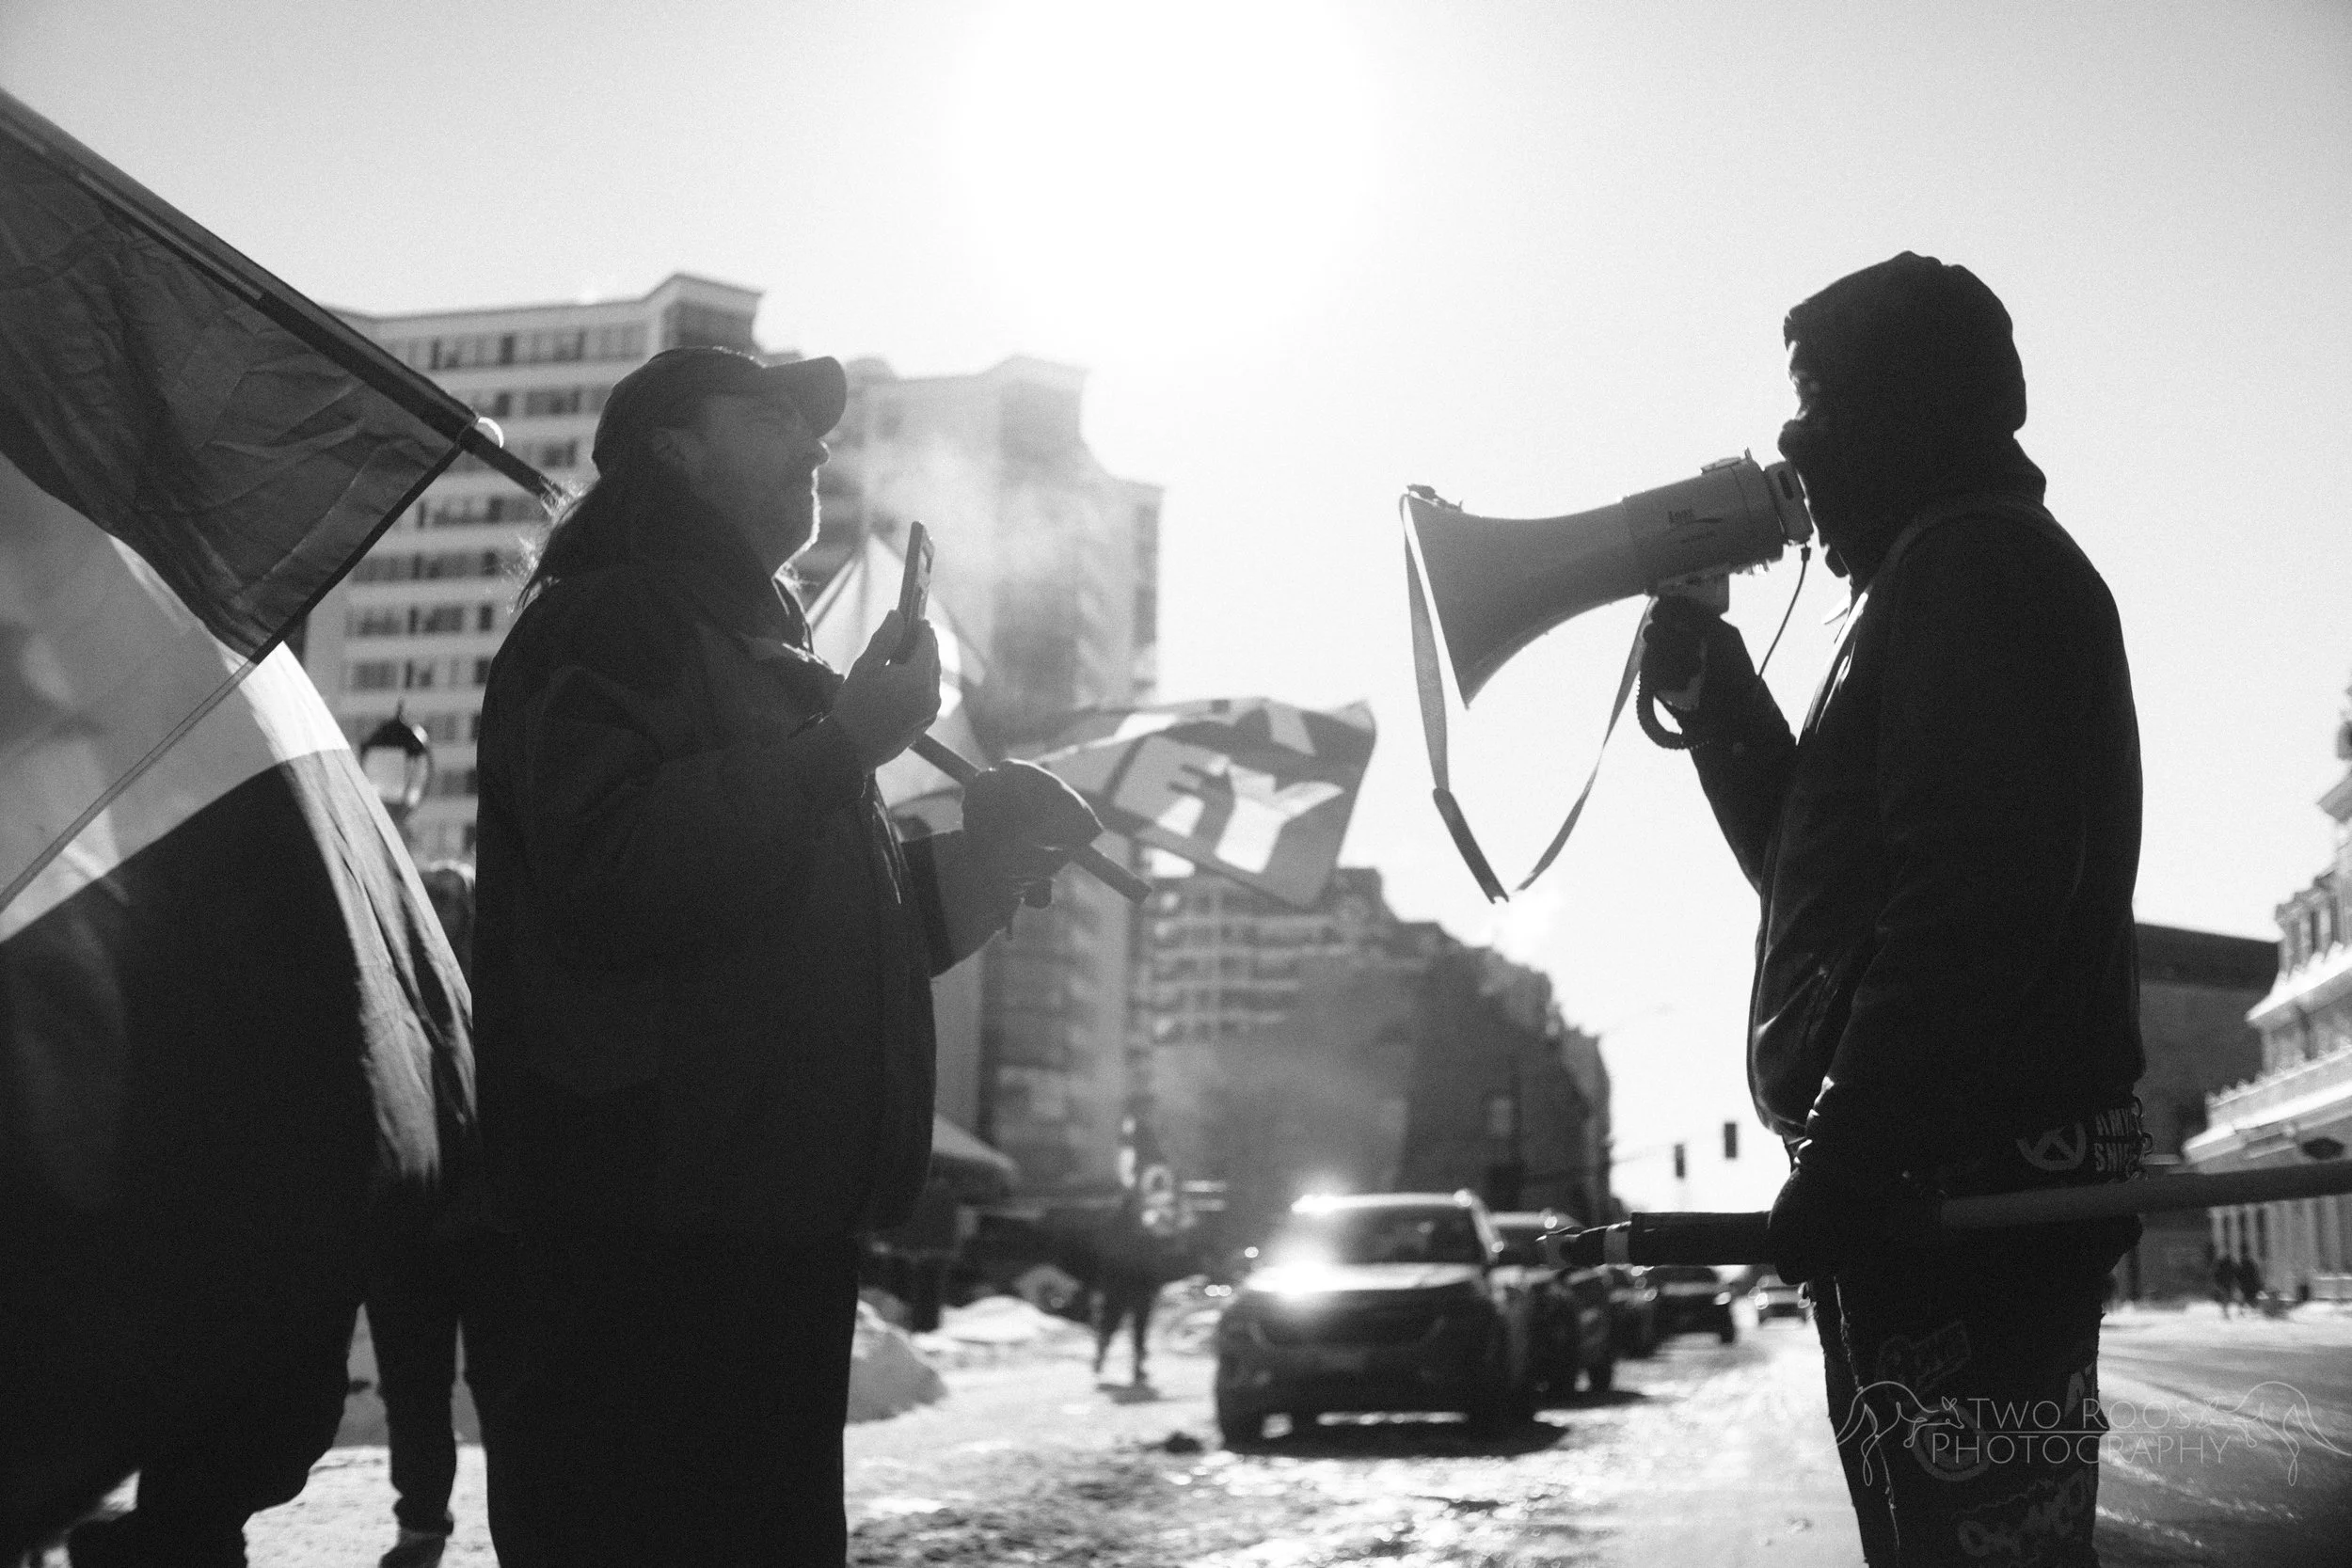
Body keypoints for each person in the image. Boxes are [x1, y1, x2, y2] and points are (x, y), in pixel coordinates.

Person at [471, 345, 1101, 1566]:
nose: (815, 446)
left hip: (759, 1223)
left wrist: (990, 854)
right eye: (770, 417)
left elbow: (840, 942)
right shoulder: (619, 617)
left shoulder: (769, 664)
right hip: (643, 1232)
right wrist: (844, 745)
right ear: (674, 448)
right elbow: (614, 872)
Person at [1641, 253, 2145, 1566]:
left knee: (1980, 1549)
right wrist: (1718, 704)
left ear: (1916, 408)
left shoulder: (1973, 570)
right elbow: (1831, 895)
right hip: (1941, 1166)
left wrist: (1855, 1146)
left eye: (1819, 395)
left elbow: (1975, 898)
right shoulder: (1940, 577)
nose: (1793, 437)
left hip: (1962, 1178)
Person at [363, 862, 516, 1568]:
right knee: (414, 1387)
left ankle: (524, 1526)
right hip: (413, 1224)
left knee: (500, 1380)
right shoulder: (389, 977)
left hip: (485, 1224)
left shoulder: (495, 984)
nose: (436, 909)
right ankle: (422, 1522)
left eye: (446, 897)